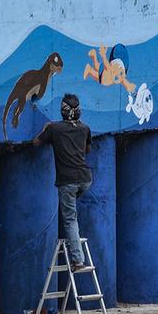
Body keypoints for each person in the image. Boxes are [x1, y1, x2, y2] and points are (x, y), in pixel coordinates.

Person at [34, 93, 94, 273]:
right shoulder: (85, 128)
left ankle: (77, 260)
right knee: (71, 213)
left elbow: (36, 143)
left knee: (70, 220)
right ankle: (73, 244)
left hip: (68, 181)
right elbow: (87, 150)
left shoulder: (54, 129)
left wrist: (46, 129)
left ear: (62, 111)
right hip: (85, 179)